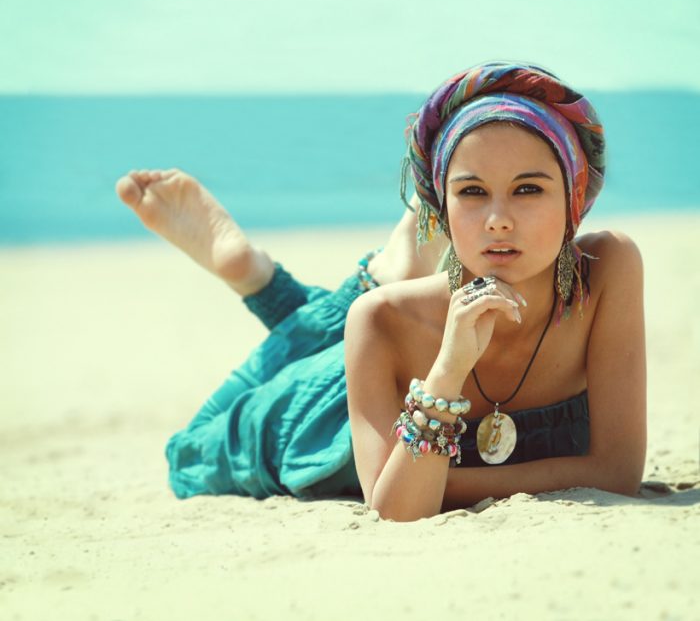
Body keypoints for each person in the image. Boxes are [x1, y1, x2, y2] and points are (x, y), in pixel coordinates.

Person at [116, 61, 646, 522]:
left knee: (372, 310)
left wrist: (433, 479)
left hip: (393, 342)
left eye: (528, 189)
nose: (499, 220)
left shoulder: (609, 269)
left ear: (574, 200)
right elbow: (396, 511)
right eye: (471, 192)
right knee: (187, 455)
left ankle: (344, 273)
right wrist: (447, 368)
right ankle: (265, 279)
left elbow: (618, 473)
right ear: (442, 207)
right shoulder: (381, 321)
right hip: (319, 418)